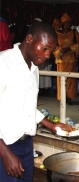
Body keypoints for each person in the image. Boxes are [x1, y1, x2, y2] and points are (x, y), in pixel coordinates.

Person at [0, 22, 66, 181]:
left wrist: (50, 125)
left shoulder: (33, 68)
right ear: (29, 39)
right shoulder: (4, 64)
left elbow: (27, 106)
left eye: (50, 50)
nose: (47, 55)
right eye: (44, 48)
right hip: (5, 146)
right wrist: (4, 152)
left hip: (26, 145)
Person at [53, 13, 79, 105]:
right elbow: (54, 46)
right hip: (61, 60)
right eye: (66, 22)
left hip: (71, 60)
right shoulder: (57, 34)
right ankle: (62, 97)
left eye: (70, 22)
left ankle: (69, 97)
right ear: (63, 23)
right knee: (61, 79)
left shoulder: (74, 32)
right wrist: (61, 50)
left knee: (70, 79)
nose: (68, 24)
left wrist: (70, 48)